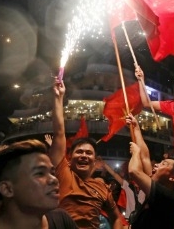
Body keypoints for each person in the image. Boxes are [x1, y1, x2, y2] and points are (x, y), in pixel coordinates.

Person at [49, 78, 124, 228]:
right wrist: (58, 98)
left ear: (95, 162)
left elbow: (116, 218)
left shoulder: (101, 186)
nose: (84, 155)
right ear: (69, 158)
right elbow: (59, 134)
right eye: (79, 152)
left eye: (89, 153)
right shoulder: (63, 172)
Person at [0, 139, 77, 229]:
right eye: (39, 173)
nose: (54, 179)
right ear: (7, 189)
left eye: (52, 172)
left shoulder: (62, 220)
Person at [126, 113, 174, 229]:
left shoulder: (168, 197)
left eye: (164, 164)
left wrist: (135, 153)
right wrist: (136, 128)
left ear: (173, 177)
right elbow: (145, 157)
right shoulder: (159, 189)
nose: (156, 165)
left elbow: (134, 171)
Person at [95, 157, 145, 223]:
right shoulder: (128, 186)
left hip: (142, 219)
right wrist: (104, 165)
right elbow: (114, 174)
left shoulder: (145, 188)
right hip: (129, 219)